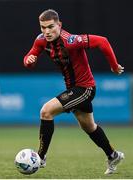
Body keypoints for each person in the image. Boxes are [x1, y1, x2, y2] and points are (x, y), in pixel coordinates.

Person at [23, 9, 124, 175]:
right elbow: (29, 57)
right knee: (89, 126)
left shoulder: (70, 40)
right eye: (43, 27)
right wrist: (29, 61)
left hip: (85, 89)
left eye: (50, 27)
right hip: (73, 89)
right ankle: (113, 155)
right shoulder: (41, 41)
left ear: (59, 25)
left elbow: (103, 42)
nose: (47, 32)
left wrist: (114, 66)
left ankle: (40, 157)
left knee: (46, 111)